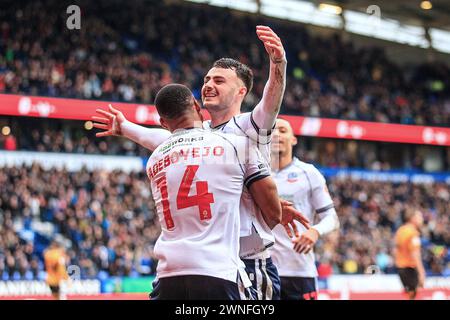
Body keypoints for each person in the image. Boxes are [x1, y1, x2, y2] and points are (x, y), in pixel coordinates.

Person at [93, 26, 309, 300]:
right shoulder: (199, 135)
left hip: (249, 260)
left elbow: (272, 99)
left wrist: (278, 64)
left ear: (241, 91)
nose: (208, 84)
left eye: (219, 80)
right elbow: (161, 137)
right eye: (207, 79)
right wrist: (126, 127)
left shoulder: (250, 127)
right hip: (213, 262)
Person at [147, 83, 281, 299]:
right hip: (217, 270)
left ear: (163, 123)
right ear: (196, 105)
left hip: (167, 273)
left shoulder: (154, 158)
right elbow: (274, 214)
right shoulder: (235, 144)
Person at [269, 118, 339, 300]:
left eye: (283, 130)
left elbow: (332, 218)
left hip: (299, 271)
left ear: (293, 139)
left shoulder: (309, 173)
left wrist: (315, 231)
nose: (276, 134)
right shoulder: (253, 173)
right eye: (272, 130)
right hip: (261, 270)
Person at [394, 209, 426, 300]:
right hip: (410, 268)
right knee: (413, 296)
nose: (422, 219)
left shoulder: (400, 230)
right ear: (412, 218)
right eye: (420, 217)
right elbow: (415, 254)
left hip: (401, 268)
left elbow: (396, 250)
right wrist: (421, 272)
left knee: (410, 296)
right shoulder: (413, 233)